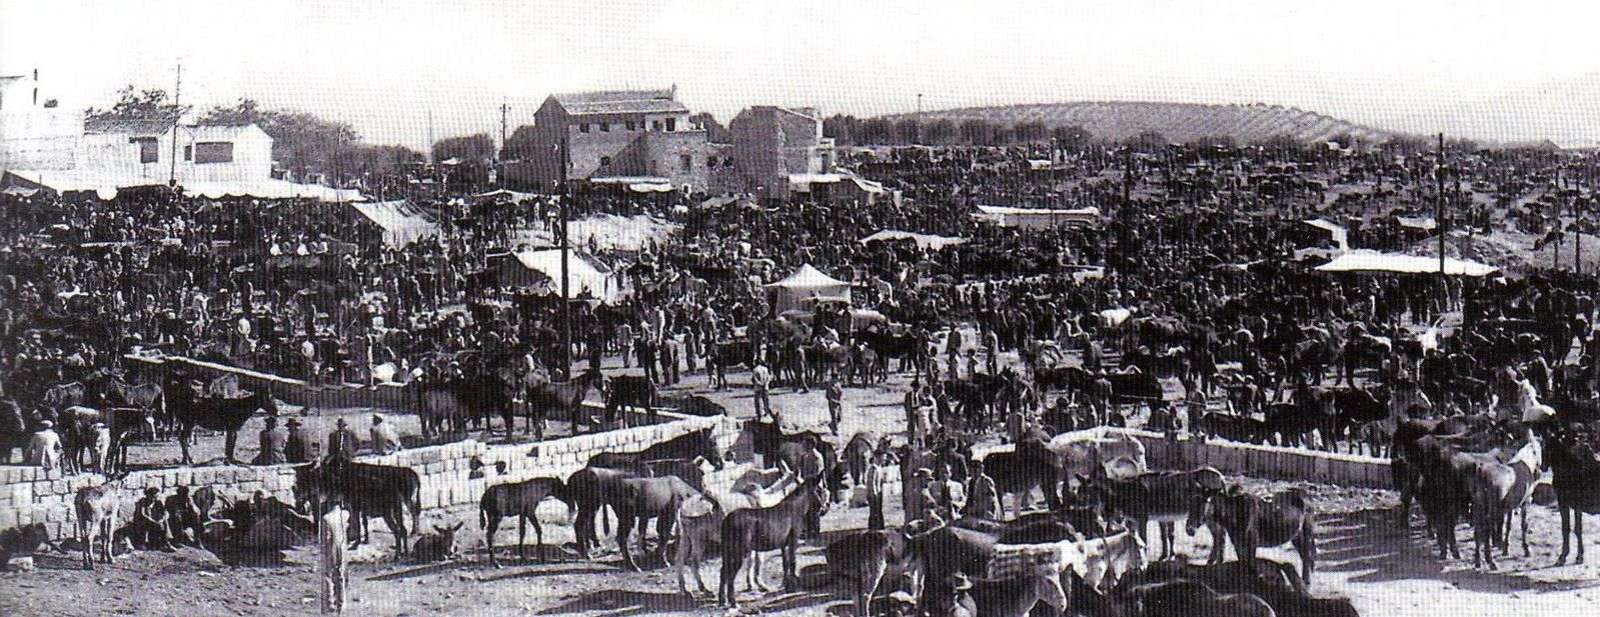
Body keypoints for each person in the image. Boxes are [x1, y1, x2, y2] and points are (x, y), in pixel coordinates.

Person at [319, 498, 350, 614]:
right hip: (342, 547)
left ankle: (330, 602)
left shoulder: (326, 518)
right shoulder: (345, 514)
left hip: (331, 548)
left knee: (328, 575)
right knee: (341, 574)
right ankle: (342, 602)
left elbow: (326, 538)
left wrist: (323, 552)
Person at [131, 487, 173, 551]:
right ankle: (144, 543)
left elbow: (165, 512)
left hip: (155, 521)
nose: (155, 499)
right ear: (149, 495)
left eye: (156, 497)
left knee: (165, 522)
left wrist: (162, 519)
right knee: (147, 524)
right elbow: (143, 514)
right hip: (145, 521)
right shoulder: (143, 502)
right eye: (153, 497)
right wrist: (153, 521)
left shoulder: (158, 502)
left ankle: (166, 542)